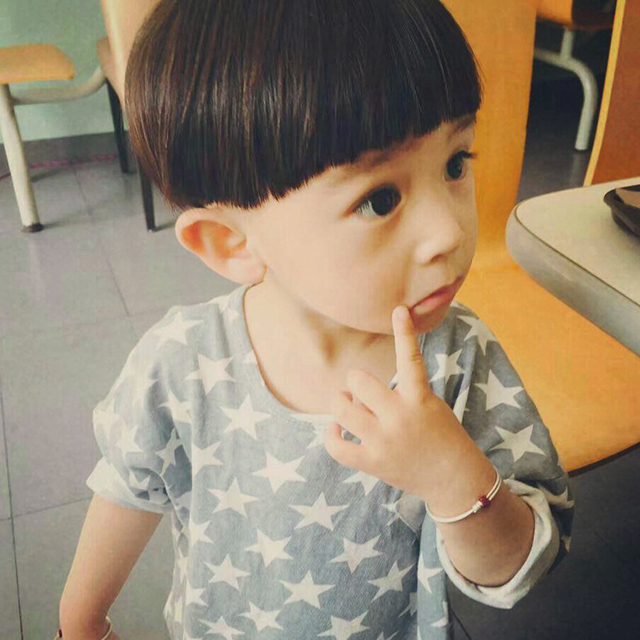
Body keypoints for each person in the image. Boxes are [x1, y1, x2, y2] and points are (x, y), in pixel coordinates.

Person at [58, 1, 575, 638]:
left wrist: (451, 475)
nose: (449, 230)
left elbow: (521, 567)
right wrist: (79, 621)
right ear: (231, 243)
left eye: (455, 162)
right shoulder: (183, 364)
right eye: (379, 198)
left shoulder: (459, 358)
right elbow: (127, 489)